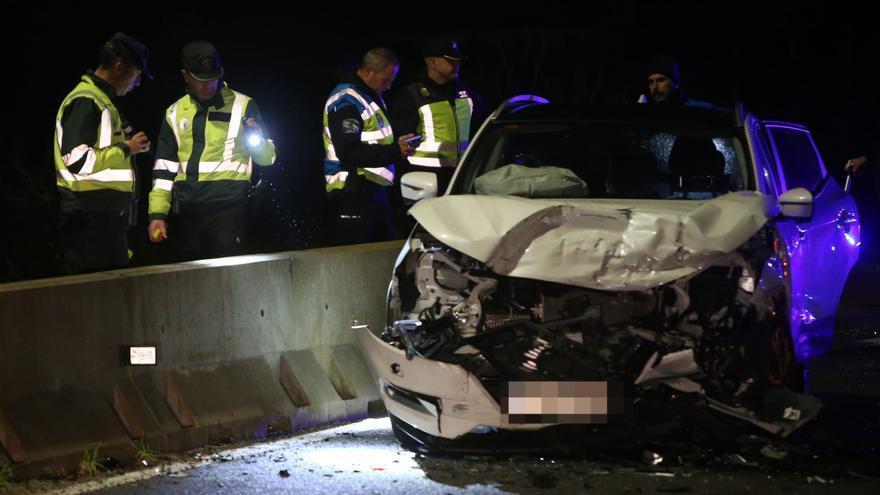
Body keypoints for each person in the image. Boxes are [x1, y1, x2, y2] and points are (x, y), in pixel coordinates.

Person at [147, 41, 276, 261]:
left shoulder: (243, 105)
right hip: (188, 213)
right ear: (185, 75)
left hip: (230, 209)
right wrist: (157, 214)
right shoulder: (174, 112)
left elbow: (268, 159)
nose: (208, 86)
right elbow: (163, 170)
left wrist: (257, 139)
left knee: (229, 280)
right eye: (201, 81)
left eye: (213, 79)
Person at [53, 32, 152, 274]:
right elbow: (76, 160)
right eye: (136, 75)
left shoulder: (102, 99)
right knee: (94, 299)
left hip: (103, 219)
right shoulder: (87, 100)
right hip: (91, 221)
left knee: (108, 298)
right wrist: (127, 148)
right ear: (119, 67)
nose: (136, 84)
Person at [322, 47, 416, 245]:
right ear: (367, 71)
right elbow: (349, 151)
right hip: (353, 190)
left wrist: (398, 146)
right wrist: (395, 150)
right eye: (386, 79)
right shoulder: (347, 100)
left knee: (382, 258)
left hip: (372, 191)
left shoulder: (369, 97)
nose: (389, 86)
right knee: (356, 260)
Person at [392, 38, 473, 194]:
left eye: (458, 61)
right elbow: (400, 141)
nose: (457, 65)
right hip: (423, 178)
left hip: (461, 175)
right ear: (432, 63)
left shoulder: (464, 92)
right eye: (451, 61)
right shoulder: (412, 94)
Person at [638, 56, 716, 109]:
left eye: (660, 80)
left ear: (676, 84)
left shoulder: (699, 108)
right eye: (651, 82)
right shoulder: (651, 112)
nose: (654, 87)